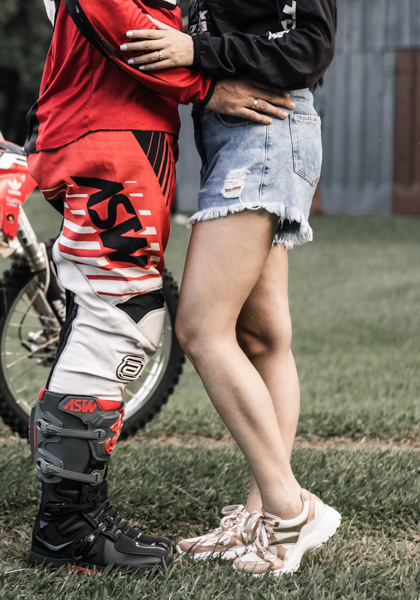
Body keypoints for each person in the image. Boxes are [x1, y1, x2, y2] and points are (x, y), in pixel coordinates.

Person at [24, 0, 294, 573]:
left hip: (118, 125)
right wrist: (204, 86)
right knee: (117, 318)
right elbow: (115, 12)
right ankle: (67, 527)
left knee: (114, 315)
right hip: (107, 129)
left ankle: (76, 513)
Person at [122, 0, 340, 575]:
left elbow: (311, 50)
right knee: (264, 338)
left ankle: (291, 511)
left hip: (266, 134)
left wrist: (199, 53)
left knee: (199, 326)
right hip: (231, 136)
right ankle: (261, 518)